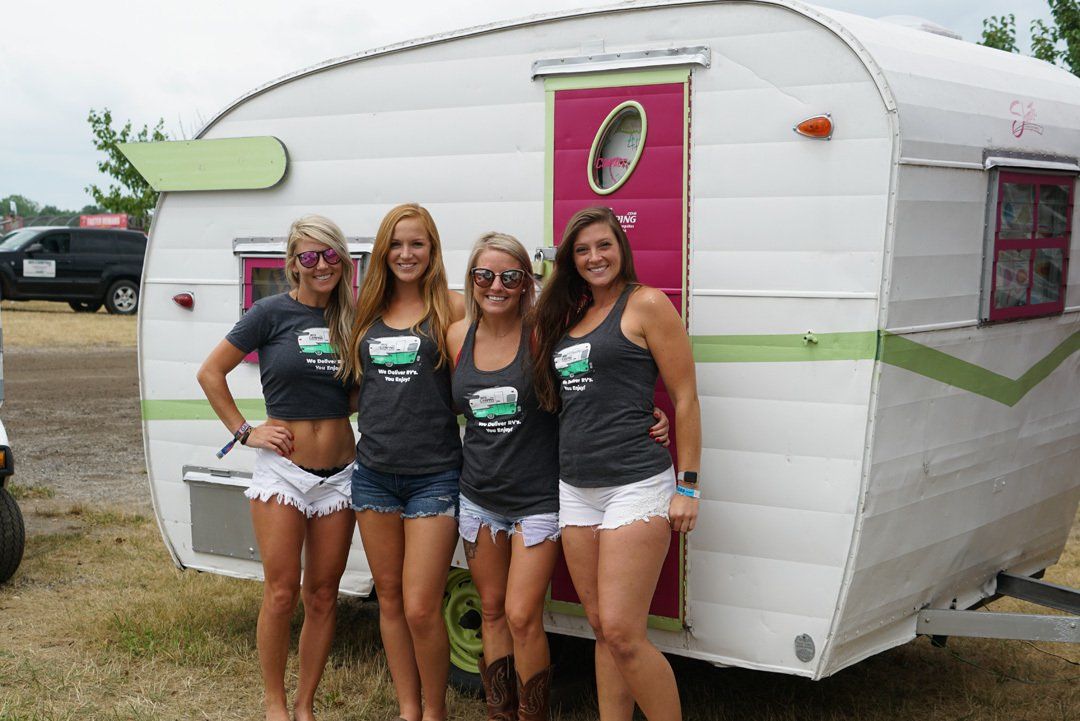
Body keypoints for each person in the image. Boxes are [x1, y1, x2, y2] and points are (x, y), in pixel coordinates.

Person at [447, 232, 671, 721]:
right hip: (478, 495)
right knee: (491, 610)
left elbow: (592, 385)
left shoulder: (545, 333)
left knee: (521, 613)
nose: (496, 286)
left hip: (539, 497)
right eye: (484, 275)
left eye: (510, 276)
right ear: (471, 279)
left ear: (526, 283)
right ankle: (501, 713)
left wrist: (647, 415)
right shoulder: (456, 335)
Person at [531, 206, 702, 721]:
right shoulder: (571, 316)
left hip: (636, 484)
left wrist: (689, 487)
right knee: (603, 629)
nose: (594, 257)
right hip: (575, 488)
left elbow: (686, 398)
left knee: (625, 634)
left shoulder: (646, 303)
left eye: (603, 245)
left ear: (621, 248)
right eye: (582, 250)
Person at [197, 215, 357, 721]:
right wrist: (245, 431)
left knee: (323, 596)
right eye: (309, 256)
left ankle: (305, 705)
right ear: (293, 263)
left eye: (329, 254)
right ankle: (275, 704)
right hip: (283, 474)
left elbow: (360, 393)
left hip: (340, 477)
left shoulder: (354, 319)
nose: (321, 264)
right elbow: (210, 372)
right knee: (283, 592)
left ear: (342, 259)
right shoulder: (269, 312)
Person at [347, 203, 465, 721]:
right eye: (396, 244)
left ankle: (435, 712)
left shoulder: (453, 308)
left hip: (435, 476)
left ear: (432, 250)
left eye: (417, 243)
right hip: (373, 475)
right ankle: (409, 709)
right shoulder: (365, 312)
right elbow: (349, 387)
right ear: (383, 251)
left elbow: (502, 364)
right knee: (391, 601)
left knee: (420, 606)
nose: (406, 253)